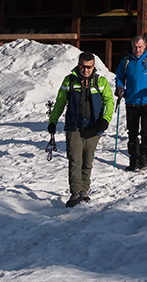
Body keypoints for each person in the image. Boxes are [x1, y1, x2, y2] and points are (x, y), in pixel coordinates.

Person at [47, 53, 114, 207]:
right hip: (74, 126)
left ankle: (84, 191)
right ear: (78, 65)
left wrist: (106, 119)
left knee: (87, 160)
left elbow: (109, 101)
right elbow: (60, 102)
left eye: (89, 67)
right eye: (82, 66)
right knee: (75, 159)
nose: (85, 70)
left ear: (93, 66)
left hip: (93, 127)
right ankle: (75, 191)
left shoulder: (101, 82)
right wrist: (53, 121)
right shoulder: (69, 81)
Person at [114, 36, 147, 171]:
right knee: (132, 131)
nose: (137, 49)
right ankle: (133, 159)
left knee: (146, 130)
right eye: (135, 47)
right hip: (131, 100)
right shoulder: (126, 61)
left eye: (140, 47)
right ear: (132, 47)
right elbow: (119, 76)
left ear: (145, 46)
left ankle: (144, 159)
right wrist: (120, 87)